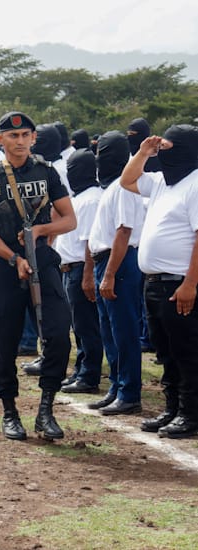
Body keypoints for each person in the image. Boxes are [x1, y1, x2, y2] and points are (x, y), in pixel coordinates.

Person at [0, 112, 76, 441]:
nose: (19, 141)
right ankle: (10, 411)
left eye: (25, 135)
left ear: (33, 138)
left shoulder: (46, 171)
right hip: (5, 266)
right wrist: (13, 256)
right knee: (5, 338)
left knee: (58, 334)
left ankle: (46, 408)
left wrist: (44, 228)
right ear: (0, 140)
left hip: (42, 261)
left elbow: (69, 219)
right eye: (12, 136)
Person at [120, 124, 198, 438]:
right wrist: (142, 152)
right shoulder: (163, 181)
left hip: (179, 284)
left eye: (167, 148)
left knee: (187, 351)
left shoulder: (194, 183)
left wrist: (191, 284)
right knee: (165, 350)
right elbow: (127, 180)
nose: (162, 153)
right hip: (154, 282)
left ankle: (191, 414)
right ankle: (172, 409)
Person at [86, 131, 145, 414]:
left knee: (124, 330)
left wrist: (109, 274)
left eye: (103, 153)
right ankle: (116, 386)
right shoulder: (111, 186)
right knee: (109, 330)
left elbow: (124, 231)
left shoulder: (124, 186)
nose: (98, 159)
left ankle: (129, 392)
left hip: (117, 263)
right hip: (105, 262)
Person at [54, 149, 104, 395]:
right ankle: (80, 369)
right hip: (69, 269)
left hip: (81, 269)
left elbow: (89, 242)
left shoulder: (92, 199)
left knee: (87, 326)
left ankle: (89, 375)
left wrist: (87, 276)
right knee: (78, 325)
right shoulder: (80, 196)